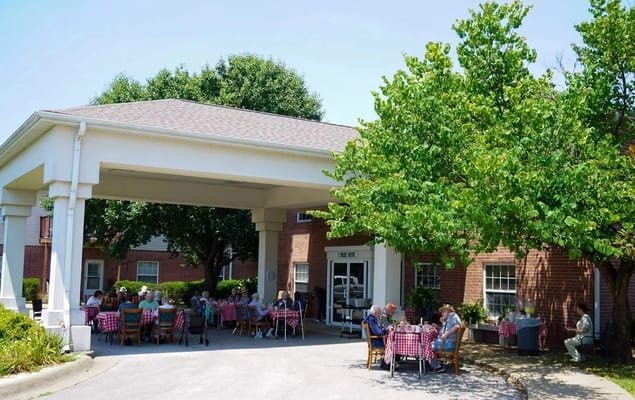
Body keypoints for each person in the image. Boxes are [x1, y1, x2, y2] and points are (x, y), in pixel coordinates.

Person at [430, 304, 462, 373]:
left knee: (427, 346)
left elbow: (457, 326)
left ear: (448, 311)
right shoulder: (449, 319)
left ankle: (438, 366)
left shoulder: (452, 316)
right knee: (431, 342)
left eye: (443, 312)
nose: (441, 314)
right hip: (448, 343)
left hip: (448, 344)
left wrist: (446, 334)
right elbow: (446, 329)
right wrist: (441, 325)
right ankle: (437, 363)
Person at [364, 305, 393, 370]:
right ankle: (387, 364)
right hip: (376, 342)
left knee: (392, 342)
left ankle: (388, 362)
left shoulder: (370, 318)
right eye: (379, 313)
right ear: (375, 313)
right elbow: (379, 333)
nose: (380, 315)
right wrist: (386, 330)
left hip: (375, 341)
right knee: (393, 344)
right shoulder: (372, 320)